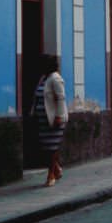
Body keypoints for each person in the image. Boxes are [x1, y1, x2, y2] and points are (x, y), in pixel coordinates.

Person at [31, 54, 68, 186]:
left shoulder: (56, 79)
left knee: (52, 148)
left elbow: (60, 98)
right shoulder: (43, 79)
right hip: (43, 120)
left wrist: (59, 116)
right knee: (47, 147)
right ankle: (56, 168)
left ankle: (51, 174)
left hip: (54, 119)